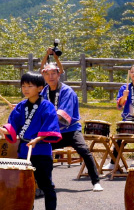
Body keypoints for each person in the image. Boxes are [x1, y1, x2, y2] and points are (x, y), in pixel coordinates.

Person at [0, 72, 62, 210]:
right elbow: (13, 127)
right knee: (24, 184)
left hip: (42, 150)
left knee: (46, 184)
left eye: (29, 86)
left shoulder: (47, 106)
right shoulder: (20, 106)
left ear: (39, 88)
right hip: (24, 150)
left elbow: (51, 127)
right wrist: (4, 130)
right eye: (23, 86)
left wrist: (38, 139)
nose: (25, 89)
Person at [40, 54, 103, 192]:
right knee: (41, 151)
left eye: (53, 73)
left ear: (58, 74)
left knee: (84, 151)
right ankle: (45, 183)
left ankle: (96, 181)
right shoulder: (43, 92)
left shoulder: (67, 91)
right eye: (47, 74)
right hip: (53, 131)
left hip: (70, 130)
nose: (50, 76)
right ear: (44, 76)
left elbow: (63, 115)